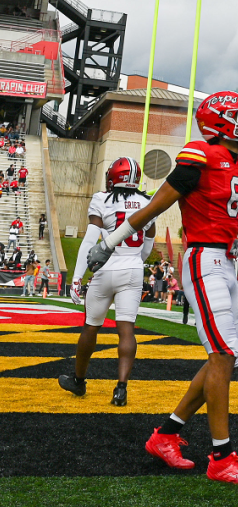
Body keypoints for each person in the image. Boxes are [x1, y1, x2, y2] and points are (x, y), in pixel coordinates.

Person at [86, 90, 238, 484]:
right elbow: (156, 205)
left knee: (224, 361)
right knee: (222, 355)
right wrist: (108, 242)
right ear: (218, 122)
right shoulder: (200, 156)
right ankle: (222, 457)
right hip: (203, 260)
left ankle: (167, 435)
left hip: (227, 262)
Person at [59, 158, 155, 406]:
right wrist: (134, 259)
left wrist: (78, 276)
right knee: (126, 329)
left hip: (106, 270)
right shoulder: (147, 201)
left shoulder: (102, 199)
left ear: (114, 177)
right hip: (133, 270)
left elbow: (91, 240)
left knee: (91, 326)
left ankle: (79, 381)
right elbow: (148, 245)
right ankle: (121, 389)